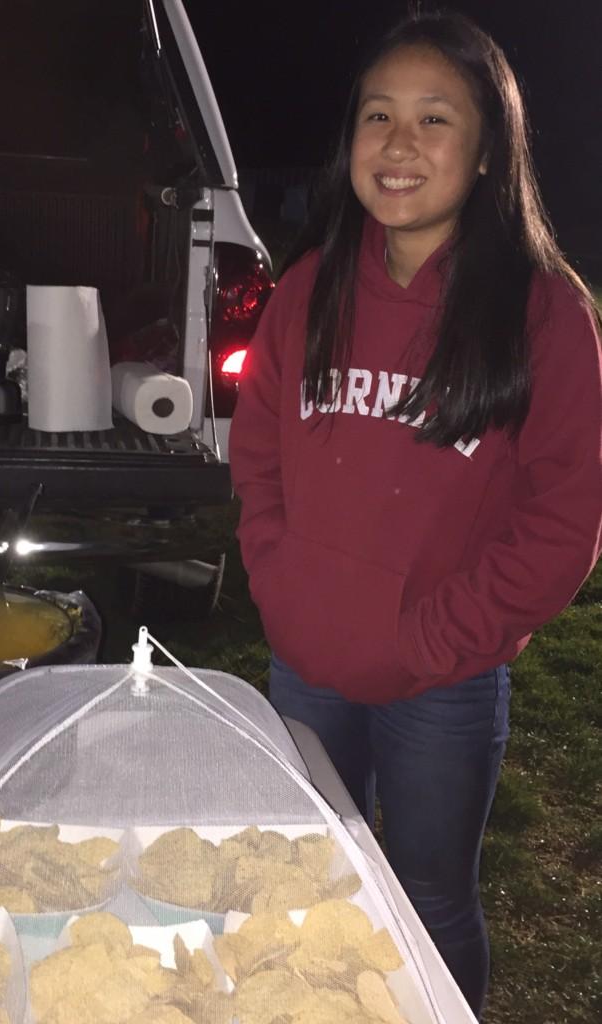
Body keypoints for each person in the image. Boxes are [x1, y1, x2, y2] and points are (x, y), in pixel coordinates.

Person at [229, 9, 602, 1019]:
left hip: (441, 682)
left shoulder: (544, 312)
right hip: (307, 668)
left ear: (488, 152)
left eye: (435, 119)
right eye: (378, 115)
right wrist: (281, 580)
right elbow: (256, 451)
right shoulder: (307, 288)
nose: (400, 144)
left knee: (428, 895)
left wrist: (433, 636)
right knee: (311, 884)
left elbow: (562, 527)